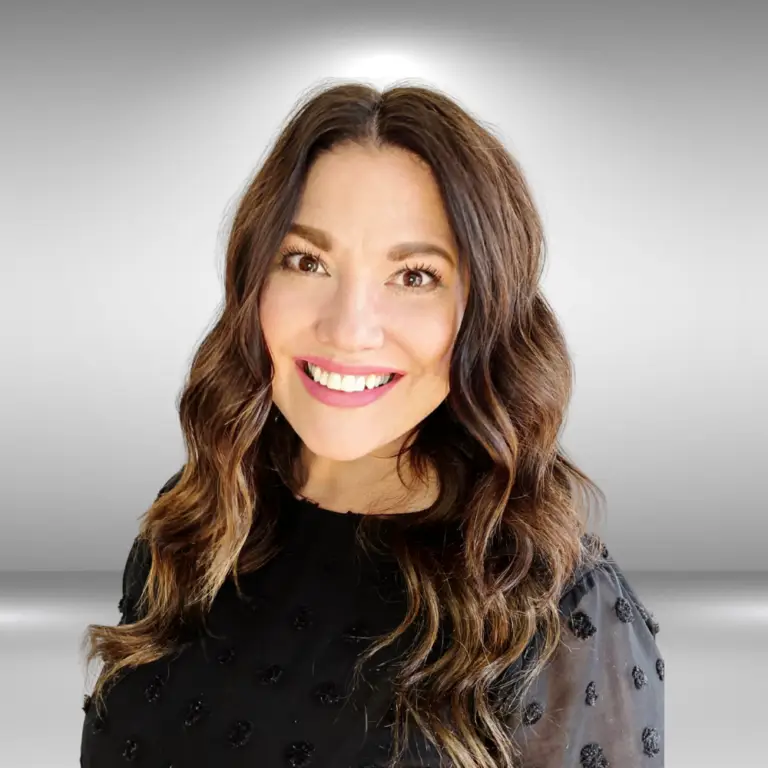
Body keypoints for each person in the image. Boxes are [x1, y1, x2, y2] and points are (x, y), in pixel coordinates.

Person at [80, 81, 664, 768]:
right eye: (307, 261)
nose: (348, 329)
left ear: (485, 311)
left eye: (415, 276)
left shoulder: (559, 607)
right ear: (252, 284)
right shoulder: (196, 523)